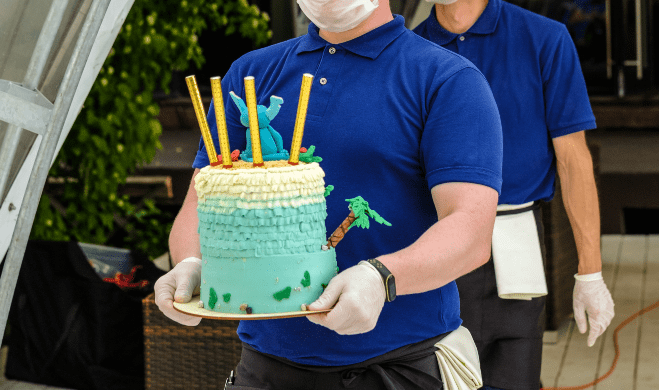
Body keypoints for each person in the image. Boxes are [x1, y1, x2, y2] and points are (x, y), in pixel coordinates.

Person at [154, 0, 504, 388]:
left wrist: (382, 277)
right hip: (264, 368)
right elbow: (203, 202)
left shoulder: (447, 78)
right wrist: (190, 262)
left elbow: (470, 229)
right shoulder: (252, 74)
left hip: (398, 368)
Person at [413, 1, 616, 389]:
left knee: (516, 377)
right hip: (437, 243)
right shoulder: (410, 49)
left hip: (516, 237)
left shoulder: (544, 38)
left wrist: (590, 272)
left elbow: (574, 161)